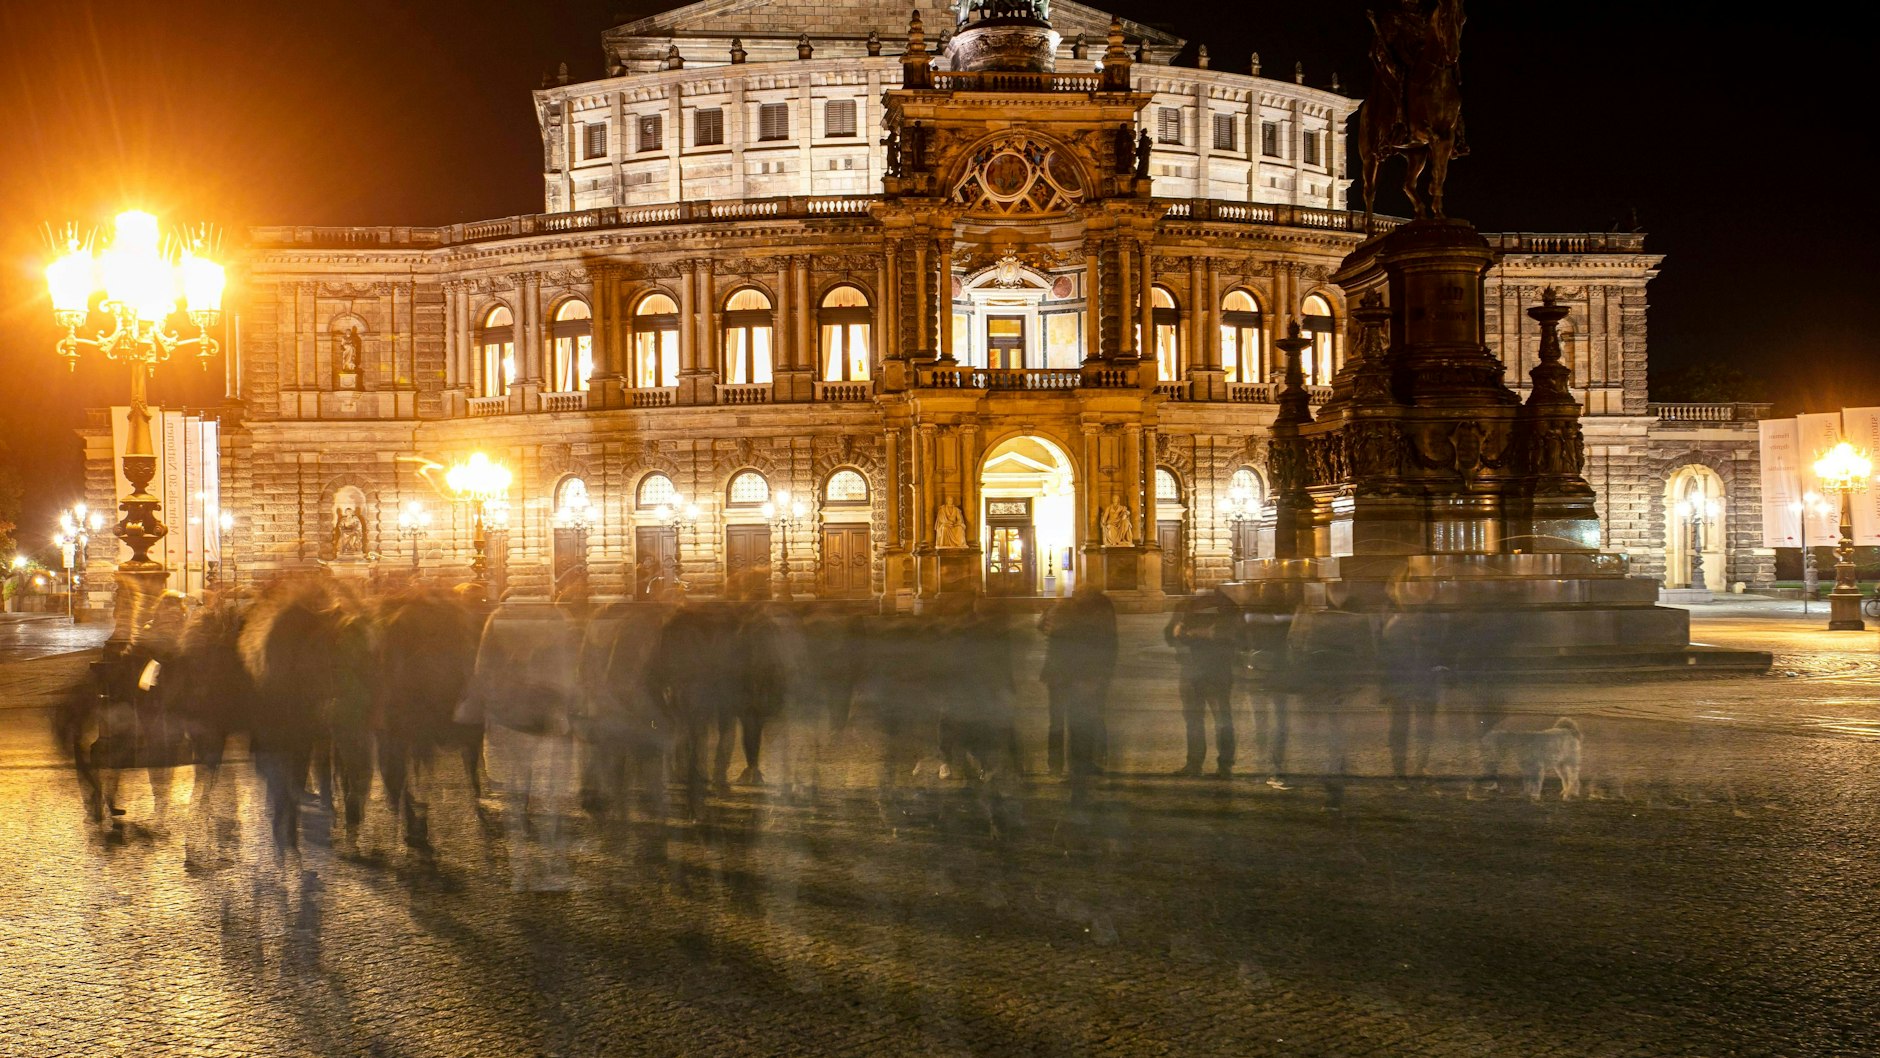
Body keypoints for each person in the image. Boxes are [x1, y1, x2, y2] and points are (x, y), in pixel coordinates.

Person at [1038, 585, 1117, 784]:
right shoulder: (1074, 610)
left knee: (1067, 722)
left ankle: (1066, 766)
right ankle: (1075, 765)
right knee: (1073, 722)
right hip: (1068, 676)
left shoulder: (1074, 609)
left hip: (1067, 676)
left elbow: (1044, 627)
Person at [1165, 592, 1240, 778]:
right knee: (1210, 718)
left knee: (1205, 718)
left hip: (1207, 670)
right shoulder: (1222, 604)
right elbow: (1170, 634)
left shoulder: (1222, 604)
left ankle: (1202, 764)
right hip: (1205, 669)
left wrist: (1188, 633)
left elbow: (1171, 635)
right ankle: (1216, 765)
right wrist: (1197, 633)